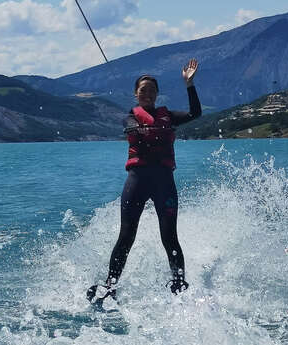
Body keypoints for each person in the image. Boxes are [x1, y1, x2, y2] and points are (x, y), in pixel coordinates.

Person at [87, 58, 201, 304]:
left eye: (151, 91)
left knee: (169, 236)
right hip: (137, 181)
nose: (147, 94)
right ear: (135, 94)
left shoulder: (168, 116)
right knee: (126, 235)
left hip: (164, 182)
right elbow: (129, 127)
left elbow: (195, 113)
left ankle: (179, 282)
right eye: (143, 91)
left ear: (157, 94)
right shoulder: (130, 117)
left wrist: (189, 84)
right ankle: (110, 284)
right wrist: (138, 129)